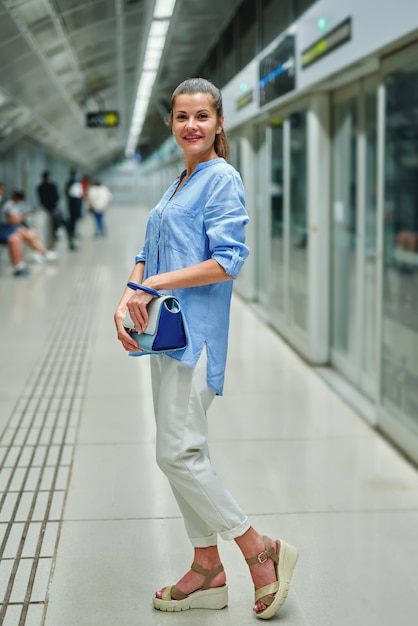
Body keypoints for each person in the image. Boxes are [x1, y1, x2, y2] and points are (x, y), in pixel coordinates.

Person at [114, 78, 298, 620]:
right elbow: (146, 254)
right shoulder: (180, 183)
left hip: (196, 341)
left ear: (219, 123)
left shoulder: (221, 179)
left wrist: (156, 285)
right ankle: (206, 569)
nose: (190, 125)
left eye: (201, 116)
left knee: (176, 454)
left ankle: (258, 550)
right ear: (171, 124)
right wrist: (127, 296)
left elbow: (228, 260)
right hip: (164, 338)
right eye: (180, 117)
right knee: (185, 453)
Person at [1, 189, 57, 270]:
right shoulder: (9, 206)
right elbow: (13, 221)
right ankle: (42, 252)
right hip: (7, 229)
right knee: (18, 237)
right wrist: (23, 216)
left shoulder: (15, 205)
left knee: (31, 233)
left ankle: (37, 254)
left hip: (13, 228)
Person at [37, 171, 75, 250]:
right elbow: (57, 197)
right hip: (54, 209)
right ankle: (70, 243)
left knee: (53, 228)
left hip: (46, 210)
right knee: (65, 225)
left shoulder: (39, 187)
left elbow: (41, 200)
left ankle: (52, 244)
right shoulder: (52, 186)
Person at [65, 168, 83, 241]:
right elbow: (76, 194)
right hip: (74, 203)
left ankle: (73, 232)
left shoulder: (72, 182)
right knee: (73, 219)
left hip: (74, 203)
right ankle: (72, 232)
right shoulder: (73, 182)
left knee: (74, 219)